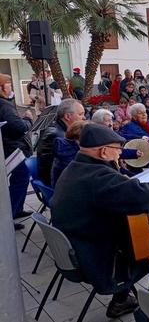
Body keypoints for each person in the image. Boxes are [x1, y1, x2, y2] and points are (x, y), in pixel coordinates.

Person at [51, 123, 149, 318]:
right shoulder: (99, 177)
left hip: (78, 245)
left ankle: (122, 300)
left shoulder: (76, 167)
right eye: (117, 149)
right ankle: (137, 305)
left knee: (134, 234)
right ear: (104, 152)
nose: (120, 154)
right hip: (96, 259)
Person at [0, 74, 34, 230]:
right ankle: (11, 215)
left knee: (20, 180)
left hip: (10, 147)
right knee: (19, 181)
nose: (11, 88)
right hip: (14, 149)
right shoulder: (4, 105)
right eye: (8, 84)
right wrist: (27, 119)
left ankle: (18, 209)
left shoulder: (5, 104)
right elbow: (18, 127)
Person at [36, 98, 85, 186]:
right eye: (80, 114)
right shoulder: (58, 136)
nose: (84, 118)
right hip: (56, 184)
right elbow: (73, 163)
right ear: (67, 116)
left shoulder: (59, 129)